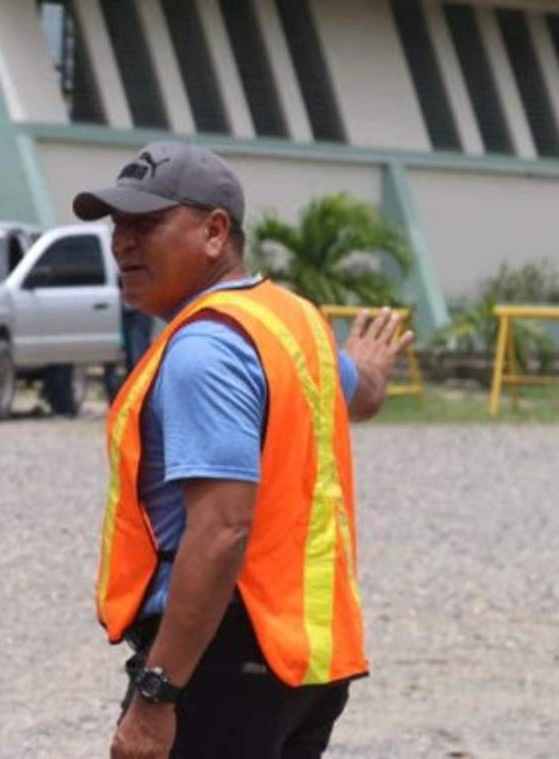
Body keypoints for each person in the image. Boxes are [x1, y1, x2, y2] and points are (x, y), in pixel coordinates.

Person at [73, 141, 412, 758]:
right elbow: (358, 396)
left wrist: (156, 693)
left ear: (214, 231)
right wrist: (371, 368)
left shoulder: (206, 350)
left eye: (145, 223)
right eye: (117, 223)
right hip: (303, 665)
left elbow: (222, 528)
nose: (121, 241)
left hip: (220, 664)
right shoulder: (292, 319)